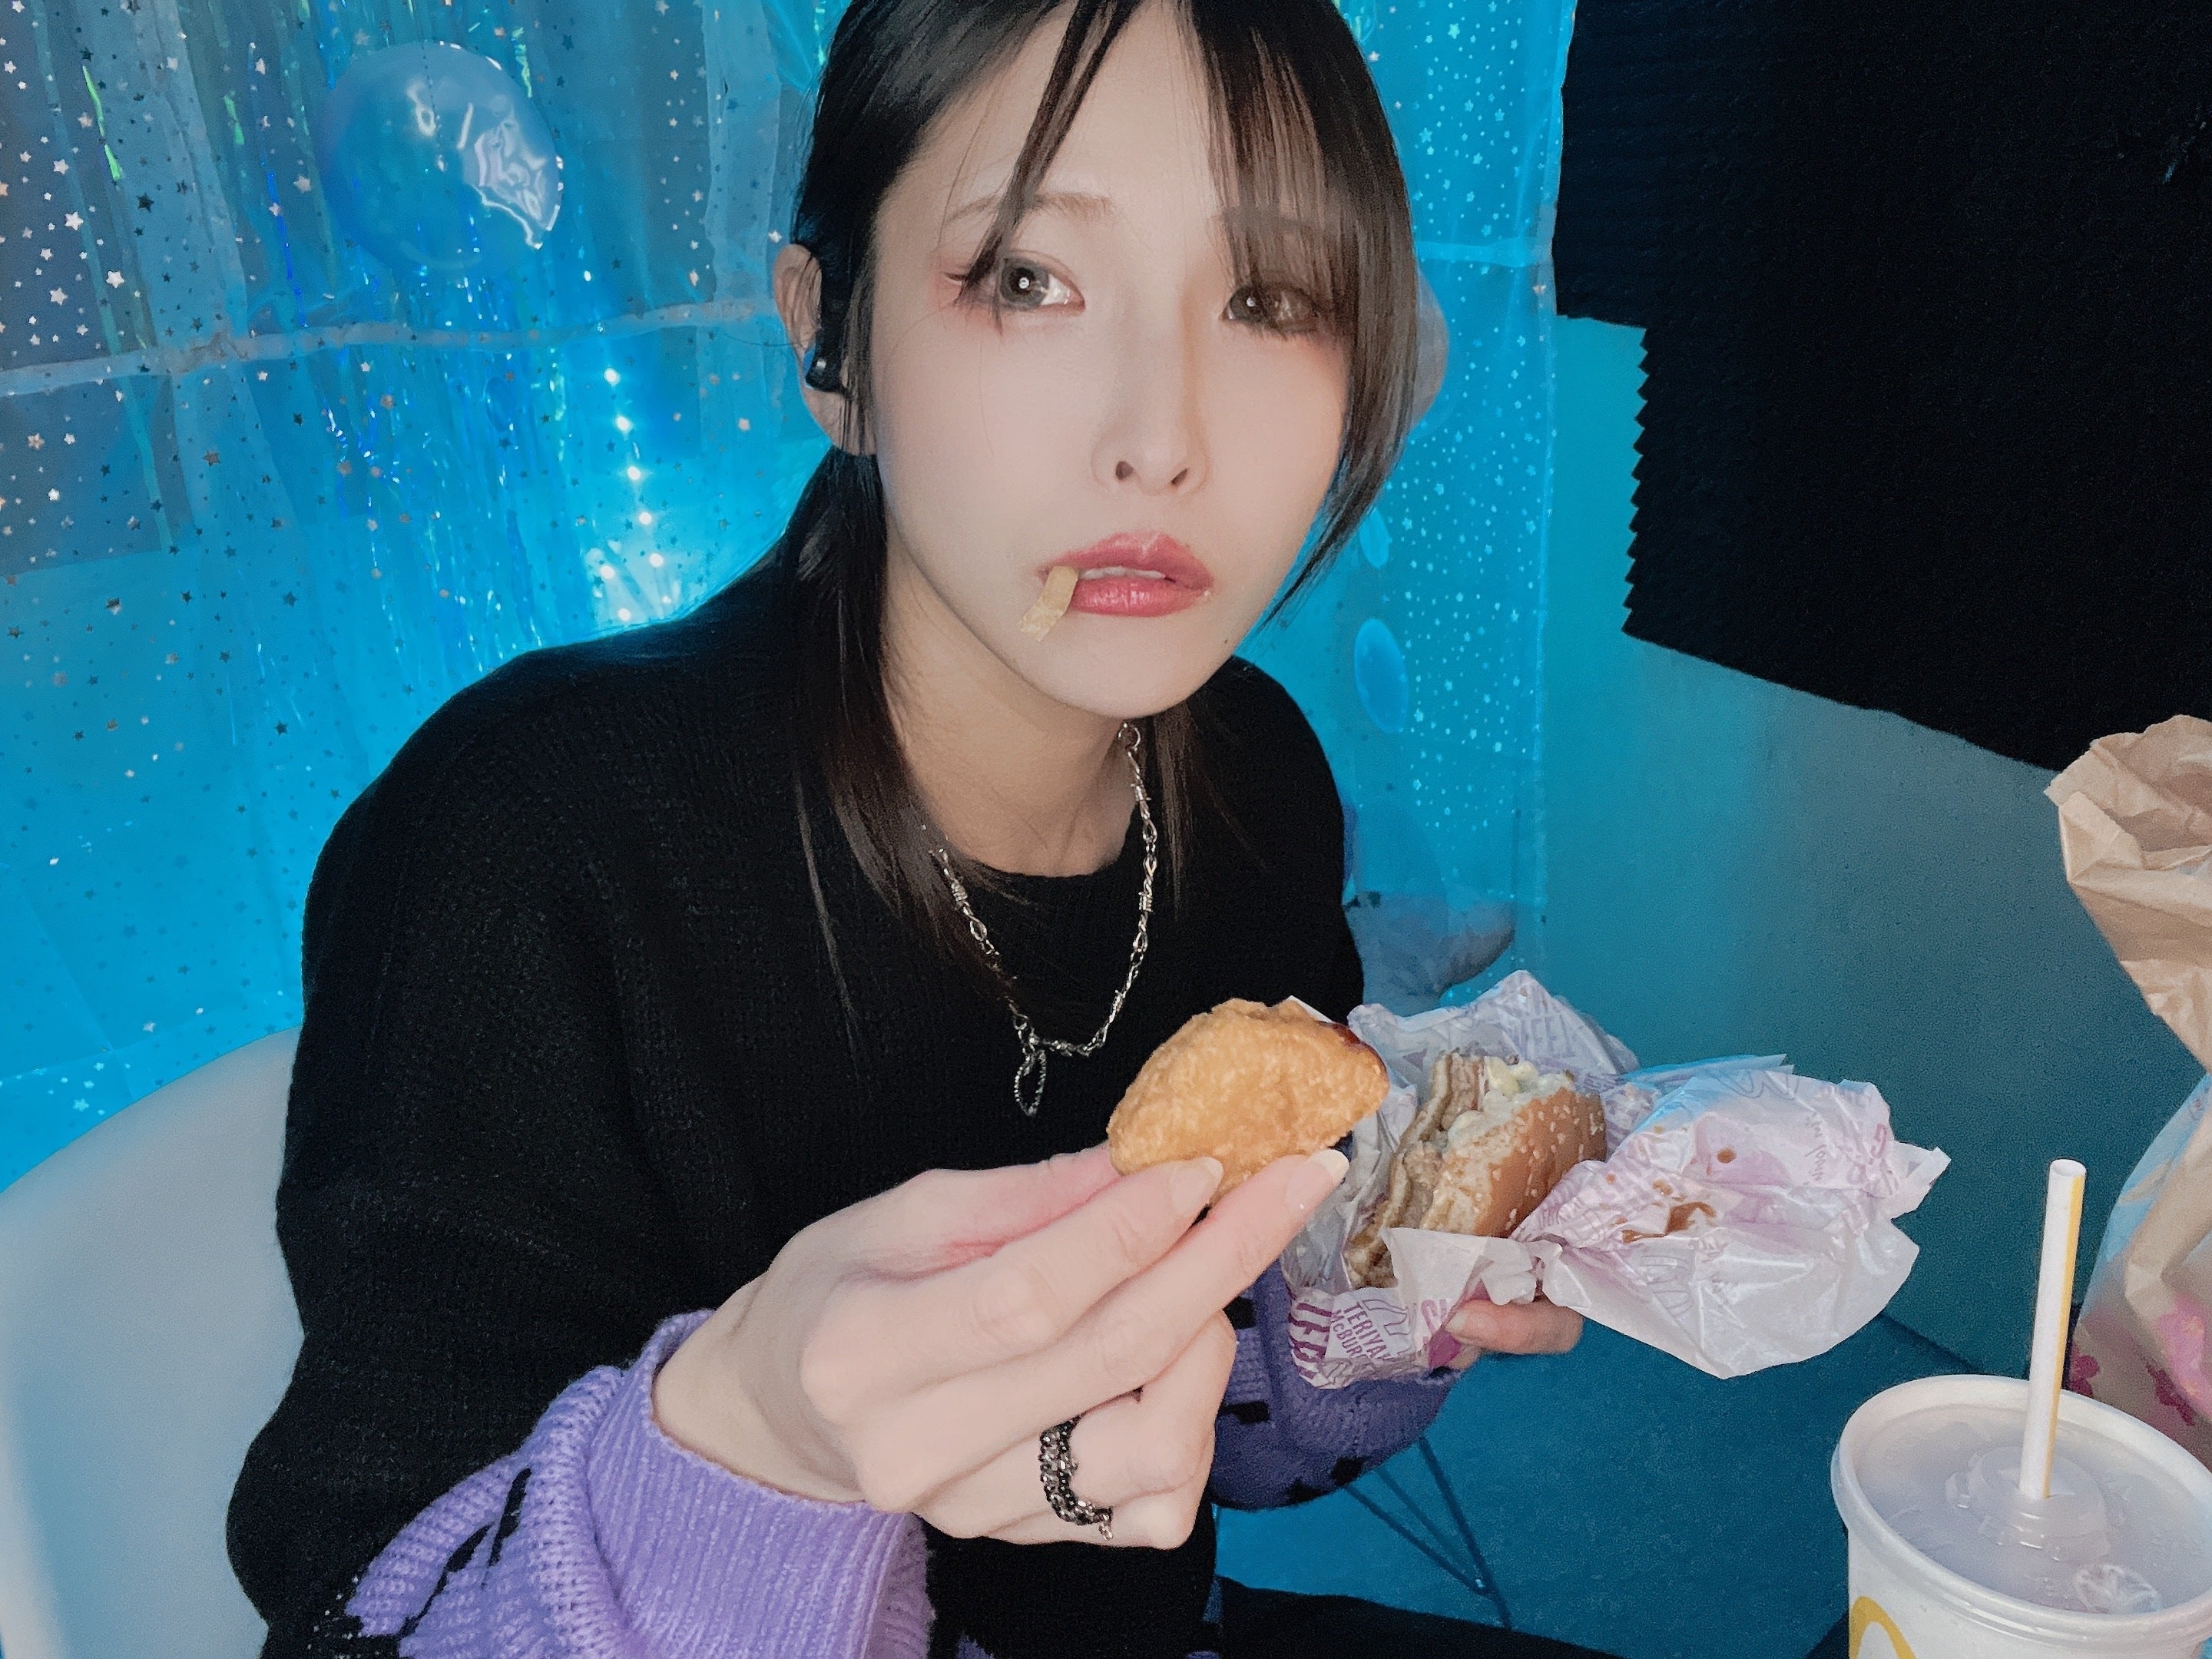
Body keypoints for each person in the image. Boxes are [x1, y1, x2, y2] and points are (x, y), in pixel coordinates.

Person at [226, 2, 1588, 1654]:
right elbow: (364, 1626)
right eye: (1027, 278)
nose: (1162, 439)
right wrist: (753, 1455)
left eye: (1270, 298)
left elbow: (1198, 1458)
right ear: (835, 343)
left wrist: (1364, 1300)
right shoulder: (528, 845)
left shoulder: (1257, 778)